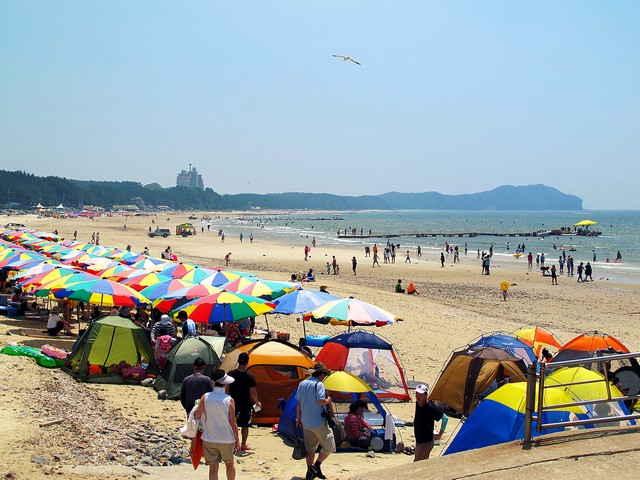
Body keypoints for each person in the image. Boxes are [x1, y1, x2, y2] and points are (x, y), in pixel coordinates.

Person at [194, 369, 240, 480]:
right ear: (225, 384)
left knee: (213, 468)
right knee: (229, 464)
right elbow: (232, 421)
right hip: (226, 438)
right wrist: (237, 440)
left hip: (209, 437)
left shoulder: (205, 397)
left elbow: (197, 415)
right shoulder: (229, 400)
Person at [296, 362, 335, 480]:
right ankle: (316, 466)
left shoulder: (302, 383)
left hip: (306, 421)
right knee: (330, 446)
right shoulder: (319, 385)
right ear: (322, 374)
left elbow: (299, 403)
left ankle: (310, 472)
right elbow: (320, 401)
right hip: (318, 421)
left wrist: (298, 418)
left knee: (310, 448)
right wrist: (328, 400)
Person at [227, 352, 261, 451]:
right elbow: (253, 392)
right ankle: (243, 444)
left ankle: (233, 443)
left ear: (238, 361)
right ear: (247, 362)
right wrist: (257, 402)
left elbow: (227, 389)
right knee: (245, 425)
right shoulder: (250, 377)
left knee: (232, 423)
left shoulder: (230, 374)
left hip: (233, 402)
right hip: (246, 403)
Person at [413, 384, 448, 462]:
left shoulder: (430, 407)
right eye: (417, 394)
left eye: (421, 395)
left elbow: (445, 418)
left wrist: (440, 434)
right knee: (420, 463)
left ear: (426, 395)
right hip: (419, 440)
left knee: (417, 464)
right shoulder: (418, 403)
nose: (418, 397)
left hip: (426, 442)